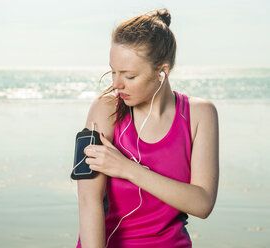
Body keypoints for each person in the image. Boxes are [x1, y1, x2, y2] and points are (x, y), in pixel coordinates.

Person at [75, 8, 219, 248]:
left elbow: (202, 204)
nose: (116, 84)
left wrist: (126, 168)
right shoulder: (104, 109)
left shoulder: (200, 114)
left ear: (161, 72)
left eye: (129, 76)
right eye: (113, 71)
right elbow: (88, 202)